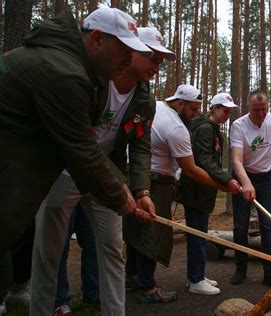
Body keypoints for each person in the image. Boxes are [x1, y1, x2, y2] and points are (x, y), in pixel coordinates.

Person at [0, 6, 153, 313]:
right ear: (97, 39)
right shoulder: (66, 73)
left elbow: (130, 147)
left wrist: (136, 189)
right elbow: (81, 148)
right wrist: (117, 194)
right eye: (124, 51)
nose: (127, 61)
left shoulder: (80, 70)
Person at [30, 22, 167, 316]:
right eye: (153, 58)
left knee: (113, 251)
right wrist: (118, 186)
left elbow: (140, 147)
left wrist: (141, 189)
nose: (157, 66)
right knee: (48, 253)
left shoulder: (145, 100)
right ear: (133, 52)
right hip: (65, 171)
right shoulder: (91, 79)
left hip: (108, 178)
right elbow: (76, 142)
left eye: (160, 61)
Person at [124, 85, 241, 303]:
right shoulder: (177, 127)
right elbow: (192, 167)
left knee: (138, 229)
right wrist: (224, 184)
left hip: (141, 176)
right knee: (152, 232)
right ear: (180, 103)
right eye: (193, 109)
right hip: (155, 181)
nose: (196, 114)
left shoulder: (159, 107)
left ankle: (132, 276)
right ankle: (147, 288)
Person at [179, 93, 240, 295]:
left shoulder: (212, 129)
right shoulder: (205, 129)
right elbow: (204, 159)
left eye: (230, 112)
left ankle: (195, 275)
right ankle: (196, 279)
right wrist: (226, 179)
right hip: (196, 189)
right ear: (214, 108)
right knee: (197, 234)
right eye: (224, 110)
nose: (227, 115)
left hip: (204, 190)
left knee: (200, 232)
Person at [230, 90, 271, 286]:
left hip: (266, 179)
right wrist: (246, 183)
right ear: (248, 108)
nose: (260, 114)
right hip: (243, 176)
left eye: (264, 109)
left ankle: (270, 271)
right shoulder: (239, 126)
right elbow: (236, 160)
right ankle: (240, 269)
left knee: (268, 226)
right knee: (240, 227)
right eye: (256, 110)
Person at [54, 203, 100, 315]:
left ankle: (93, 295)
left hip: (89, 191)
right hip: (62, 191)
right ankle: (59, 303)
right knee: (59, 247)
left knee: (94, 242)